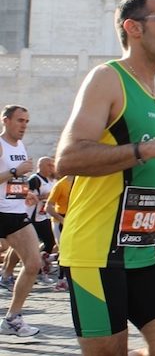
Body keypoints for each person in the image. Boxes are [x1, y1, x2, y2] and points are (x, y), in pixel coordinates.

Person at [54, 0, 155, 353]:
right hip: (96, 253)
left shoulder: (154, 93)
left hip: (144, 250)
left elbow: (142, 156)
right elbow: (68, 158)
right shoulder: (107, 78)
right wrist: (150, 149)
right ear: (133, 28)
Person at [0, 105, 43, 338]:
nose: (24, 125)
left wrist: (25, 192)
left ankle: (12, 318)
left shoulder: (21, 146)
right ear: (5, 121)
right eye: (20, 120)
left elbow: (15, 182)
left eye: (26, 121)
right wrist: (16, 171)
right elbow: (12, 173)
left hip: (15, 213)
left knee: (34, 263)